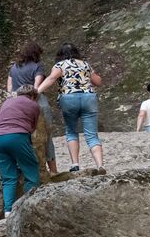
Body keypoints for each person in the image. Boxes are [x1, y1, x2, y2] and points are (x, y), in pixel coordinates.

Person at [37, 42, 104, 172]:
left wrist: (36, 91)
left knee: (72, 131)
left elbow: (51, 79)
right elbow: (98, 82)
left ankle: (75, 164)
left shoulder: (60, 65)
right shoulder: (85, 64)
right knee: (92, 135)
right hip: (88, 97)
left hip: (69, 98)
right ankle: (100, 165)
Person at [6, 40, 57, 174]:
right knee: (46, 136)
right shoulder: (37, 66)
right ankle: (53, 169)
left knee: (25, 134)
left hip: (18, 103)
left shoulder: (13, 67)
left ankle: (29, 168)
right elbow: (37, 86)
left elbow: (10, 88)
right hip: (37, 102)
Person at [0, 85, 42, 215]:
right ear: (33, 96)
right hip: (17, 136)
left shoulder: (7, 101)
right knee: (31, 171)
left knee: (8, 178)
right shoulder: (33, 105)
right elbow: (32, 128)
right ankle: (27, 207)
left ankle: (8, 211)